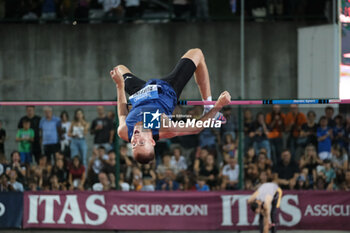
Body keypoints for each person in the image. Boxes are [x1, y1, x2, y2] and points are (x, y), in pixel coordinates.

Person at [111, 48, 230, 164]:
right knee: (197, 53)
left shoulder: (124, 131)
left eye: (133, 144)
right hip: (167, 88)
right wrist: (218, 105)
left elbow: (122, 113)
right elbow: (196, 128)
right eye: (141, 143)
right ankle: (207, 106)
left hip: (140, 93)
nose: (135, 140)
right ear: (152, 141)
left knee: (118, 69)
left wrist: (120, 86)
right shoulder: (164, 128)